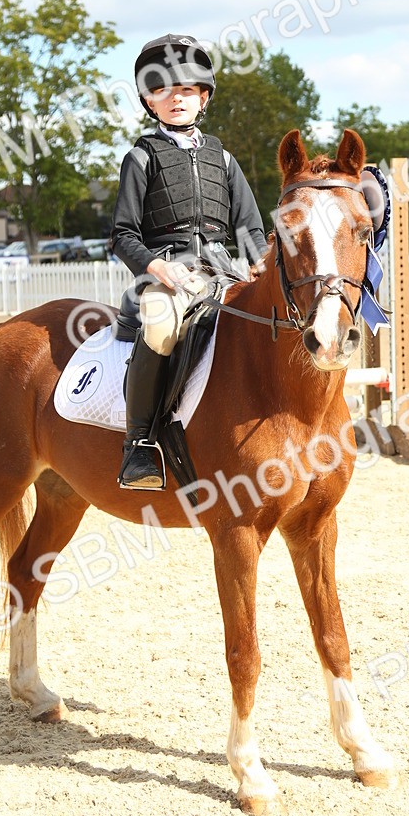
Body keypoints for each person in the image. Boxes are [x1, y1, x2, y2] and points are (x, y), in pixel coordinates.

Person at [110, 33, 268, 490]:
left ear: (203, 98)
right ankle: (138, 446)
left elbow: (251, 228)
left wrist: (257, 263)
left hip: (222, 272)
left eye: (186, 90)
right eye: (163, 90)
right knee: (160, 326)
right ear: (149, 100)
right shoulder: (141, 157)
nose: (175, 98)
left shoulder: (223, 157)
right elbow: (122, 235)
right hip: (166, 275)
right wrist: (157, 268)